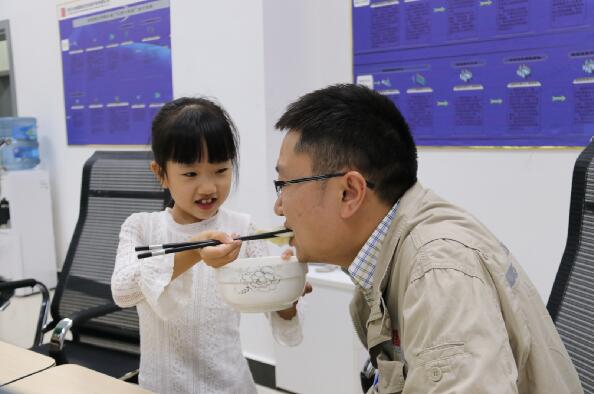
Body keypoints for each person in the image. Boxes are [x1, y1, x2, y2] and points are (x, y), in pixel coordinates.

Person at [272, 84, 583, 393]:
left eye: (284, 184)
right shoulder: (395, 254)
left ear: (349, 192)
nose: (278, 207)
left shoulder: (438, 270)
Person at [111, 97, 305, 394]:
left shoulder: (241, 229)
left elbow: (284, 326)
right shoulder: (141, 228)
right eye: (190, 174)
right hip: (161, 388)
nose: (208, 187)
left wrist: (287, 293)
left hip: (229, 386)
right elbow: (123, 291)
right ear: (160, 173)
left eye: (220, 170)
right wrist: (193, 252)